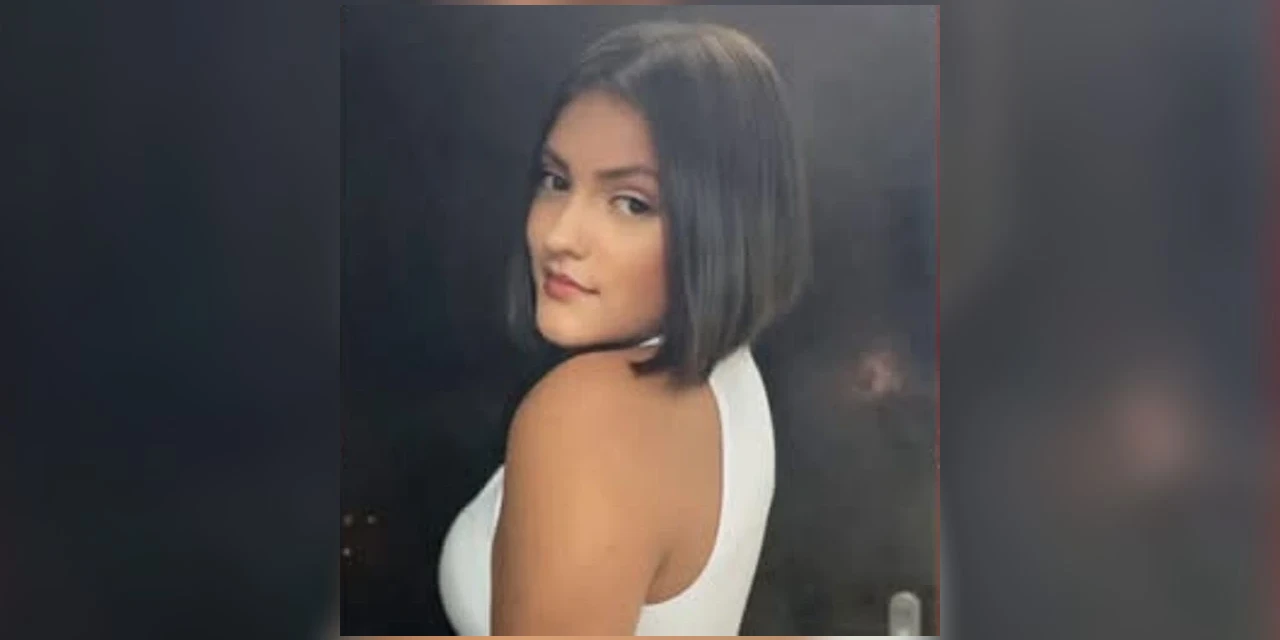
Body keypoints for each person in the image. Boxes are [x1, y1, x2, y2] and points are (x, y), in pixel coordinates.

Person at [436, 21, 810, 635]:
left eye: (631, 203)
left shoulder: (587, 415)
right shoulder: (727, 380)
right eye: (556, 181)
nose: (559, 236)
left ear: (722, 225)